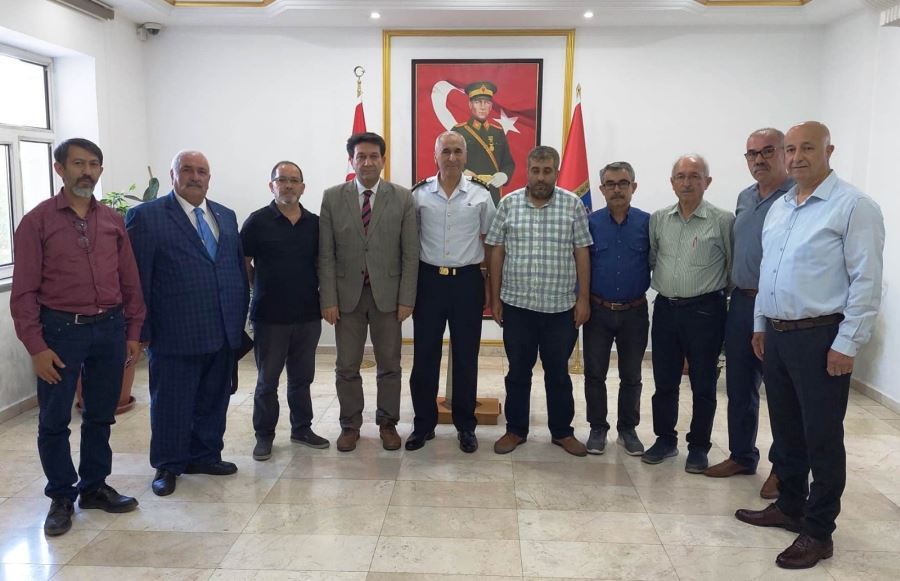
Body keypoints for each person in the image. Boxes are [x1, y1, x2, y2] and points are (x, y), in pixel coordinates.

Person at [736, 121, 884, 570]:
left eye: (807, 148)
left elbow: (866, 281)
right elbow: (769, 271)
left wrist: (847, 343)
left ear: (828, 151)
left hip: (822, 337)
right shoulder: (782, 207)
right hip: (777, 334)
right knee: (786, 430)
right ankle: (790, 505)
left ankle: (819, 531)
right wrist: (760, 323)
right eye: (791, 149)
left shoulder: (854, 206)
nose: (796, 157)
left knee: (822, 436)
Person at [10, 138, 144, 536]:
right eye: (78, 163)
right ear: (60, 169)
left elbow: (130, 280)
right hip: (60, 333)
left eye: (94, 165)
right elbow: (23, 292)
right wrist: (36, 347)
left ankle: (94, 487)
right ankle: (61, 497)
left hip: (109, 329)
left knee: (100, 414)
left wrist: (133, 330)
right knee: (54, 419)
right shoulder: (36, 222)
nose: (87, 172)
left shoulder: (113, 221)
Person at [126, 150, 249, 497]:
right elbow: (137, 278)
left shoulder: (225, 215)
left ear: (210, 177)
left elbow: (233, 268)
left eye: (202, 171)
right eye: (187, 170)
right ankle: (168, 464)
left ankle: (205, 455)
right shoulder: (147, 217)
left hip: (222, 328)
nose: (195, 177)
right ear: (173, 175)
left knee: (214, 398)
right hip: (174, 332)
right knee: (171, 402)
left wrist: (238, 319)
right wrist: (141, 331)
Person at [705, 128, 793, 500]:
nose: (758, 159)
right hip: (742, 302)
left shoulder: (797, 196)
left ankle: (784, 469)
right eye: (752, 154)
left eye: (767, 151)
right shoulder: (745, 197)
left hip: (778, 306)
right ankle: (742, 455)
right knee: (740, 385)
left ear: (785, 153)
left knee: (782, 393)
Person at [486, 145, 592, 457]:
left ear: (556, 172)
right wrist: (495, 297)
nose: (541, 177)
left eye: (547, 171)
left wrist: (583, 299)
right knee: (518, 372)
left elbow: (582, 252)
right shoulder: (508, 204)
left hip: (560, 309)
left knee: (558, 373)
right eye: (536, 171)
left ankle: (562, 432)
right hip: (517, 307)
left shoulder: (573, 205)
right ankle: (515, 430)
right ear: (527, 171)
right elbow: (496, 251)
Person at [319, 132, 419, 452]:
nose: (367, 162)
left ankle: (388, 423)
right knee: (347, 366)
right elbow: (326, 254)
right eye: (360, 156)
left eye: (373, 156)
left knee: (389, 365)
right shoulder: (332, 198)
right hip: (346, 298)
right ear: (351, 161)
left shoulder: (402, 198)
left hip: (388, 297)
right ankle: (350, 426)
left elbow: (410, 253)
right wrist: (328, 299)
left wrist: (406, 299)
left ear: (383, 160)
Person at [644, 154, 734, 473]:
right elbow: (654, 258)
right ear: (672, 183)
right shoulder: (659, 219)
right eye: (680, 176)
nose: (687, 182)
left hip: (705, 312)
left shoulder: (723, 220)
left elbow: (732, 267)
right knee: (664, 381)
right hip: (666, 309)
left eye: (695, 176)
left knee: (703, 383)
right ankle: (665, 440)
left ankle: (698, 447)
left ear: (707, 182)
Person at [407, 131, 496, 453]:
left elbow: (491, 242)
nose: (452, 157)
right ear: (435, 155)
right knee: (424, 356)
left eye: (458, 151)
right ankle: (423, 424)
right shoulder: (419, 195)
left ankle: (465, 426)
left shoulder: (481, 195)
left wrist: (489, 286)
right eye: (446, 151)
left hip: (467, 283)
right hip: (429, 282)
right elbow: (409, 241)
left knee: (466, 357)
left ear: (466, 156)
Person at [241, 161, 329, 461]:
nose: (288, 185)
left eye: (294, 180)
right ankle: (264, 436)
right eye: (282, 180)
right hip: (269, 316)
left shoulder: (315, 224)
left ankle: (302, 428)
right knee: (267, 381)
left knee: (302, 378)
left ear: (303, 187)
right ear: (272, 186)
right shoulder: (257, 222)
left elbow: (322, 264)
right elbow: (245, 263)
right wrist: (260, 286)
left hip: (307, 315)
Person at [583, 161, 650, 456]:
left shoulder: (647, 223)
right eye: (610, 184)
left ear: (634, 187)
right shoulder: (591, 223)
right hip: (598, 310)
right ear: (602, 189)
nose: (617, 189)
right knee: (594, 373)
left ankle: (627, 429)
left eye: (623, 183)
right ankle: (597, 428)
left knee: (631, 375)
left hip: (634, 311)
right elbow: (582, 264)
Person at [452, 81, 515, 205]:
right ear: (470, 105)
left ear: (491, 106)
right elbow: (449, 161)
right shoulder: (458, 131)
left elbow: (508, 163)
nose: (482, 106)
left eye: (486, 102)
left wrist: (504, 175)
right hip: (467, 191)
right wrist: (462, 172)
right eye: (477, 102)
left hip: (492, 192)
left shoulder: (498, 132)